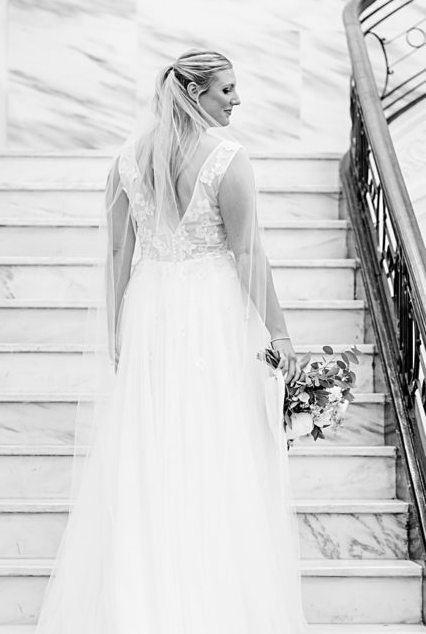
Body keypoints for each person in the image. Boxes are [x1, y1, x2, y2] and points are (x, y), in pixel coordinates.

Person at [34, 49, 309, 632]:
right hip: (207, 305)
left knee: (155, 444)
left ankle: (150, 597)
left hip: (151, 306)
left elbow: (118, 253)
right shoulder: (229, 160)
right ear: (194, 92)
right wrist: (279, 329)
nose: (238, 99)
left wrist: (115, 326)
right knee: (214, 441)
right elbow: (246, 252)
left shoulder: (126, 161)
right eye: (228, 89)